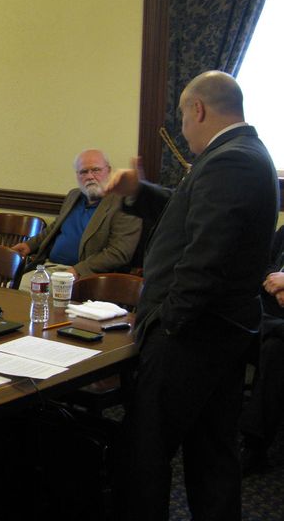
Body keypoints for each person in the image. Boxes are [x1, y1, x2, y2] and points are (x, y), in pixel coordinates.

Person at [105, 71, 278, 520]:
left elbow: (206, 259)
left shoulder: (229, 161)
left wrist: (166, 323)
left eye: (182, 117)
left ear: (196, 109)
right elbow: (192, 208)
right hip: (221, 330)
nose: (182, 129)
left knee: (146, 451)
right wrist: (139, 191)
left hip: (193, 335)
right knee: (211, 454)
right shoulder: (240, 155)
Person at [12, 149, 141, 289]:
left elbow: (118, 253)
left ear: (108, 171)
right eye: (83, 172)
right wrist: (30, 245)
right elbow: (55, 227)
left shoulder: (125, 204)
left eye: (96, 170)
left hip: (88, 277)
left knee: (24, 292)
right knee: (9, 290)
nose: (90, 176)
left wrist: (78, 270)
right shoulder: (74, 196)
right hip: (49, 267)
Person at [239, 225, 284, 475]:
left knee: (275, 350)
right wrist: (276, 285)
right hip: (269, 312)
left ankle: (255, 447)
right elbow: (265, 266)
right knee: (231, 325)